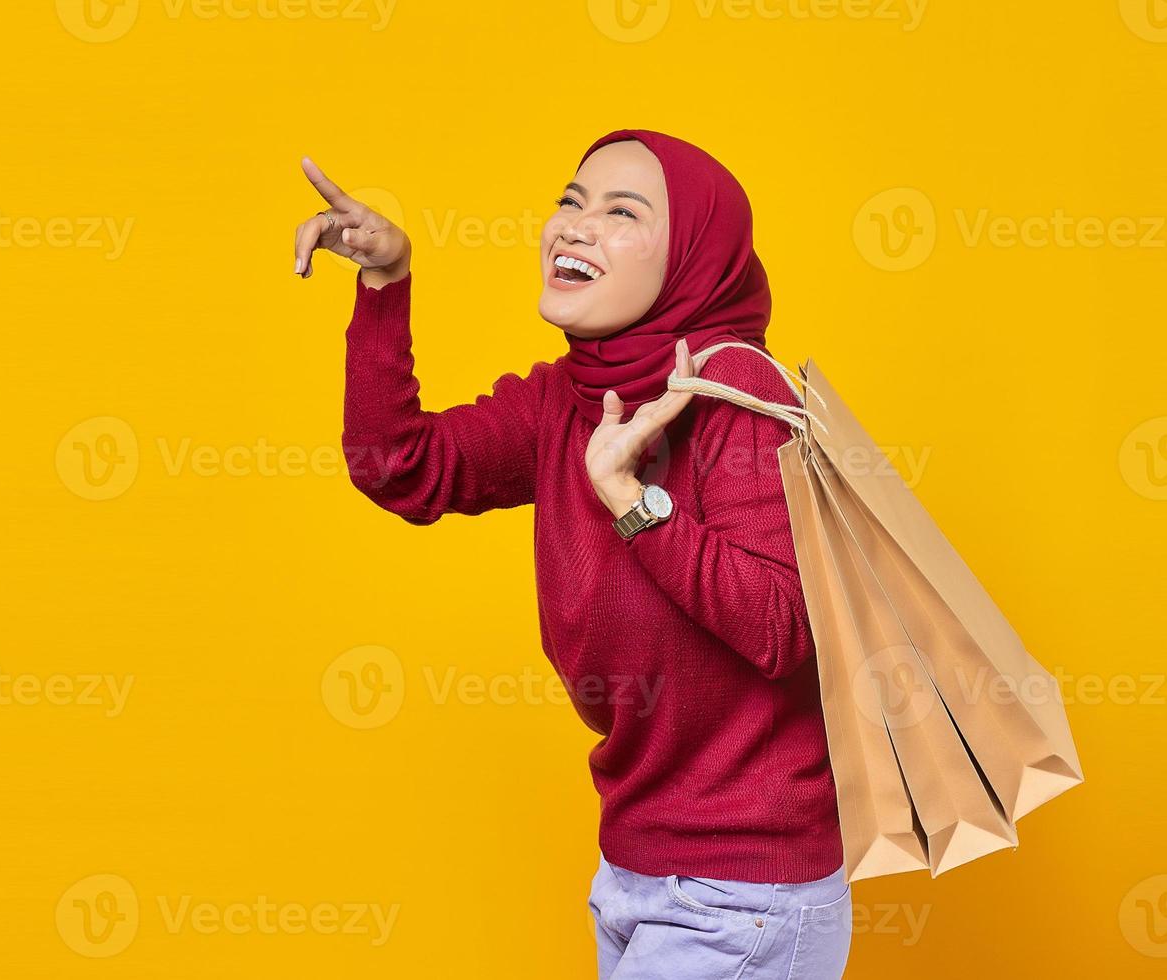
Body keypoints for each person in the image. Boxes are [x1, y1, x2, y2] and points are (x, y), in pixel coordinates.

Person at [293, 129, 852, 979]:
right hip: (631, 868)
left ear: (692, 259)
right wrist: (385, 283)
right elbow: (399, 468)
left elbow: (783, 627)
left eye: (622, 212)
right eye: (570, 202)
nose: (575, 227)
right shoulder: (565, 399)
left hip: (742, 890)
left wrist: (630, 500)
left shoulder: (742, 394)